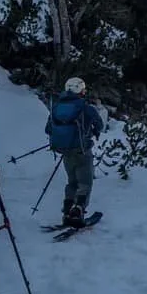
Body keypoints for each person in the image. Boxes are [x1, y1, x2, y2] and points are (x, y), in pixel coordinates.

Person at [47, 77, 105, 227]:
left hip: (65, 151)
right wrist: (92, 131)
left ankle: (67, 211)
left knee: (72, 182)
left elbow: (48, 129)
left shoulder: (57, 107)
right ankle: (78, 211)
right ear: (80, 90)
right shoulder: (85, 107)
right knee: (85, 182)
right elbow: (100, 124)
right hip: (82, 150)